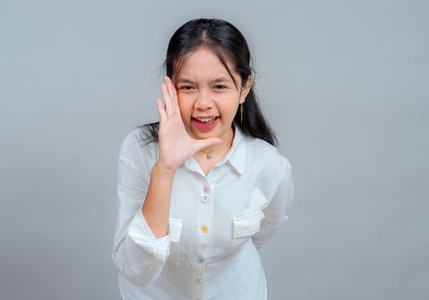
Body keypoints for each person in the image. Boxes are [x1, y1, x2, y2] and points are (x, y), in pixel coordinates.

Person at [112, 18, 294, 300]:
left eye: (219, 87)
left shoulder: (270, 165)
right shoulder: (139, 150)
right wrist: (165, 168)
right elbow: (135, 270)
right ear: (171, 88)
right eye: (188, 87)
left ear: (244, 88)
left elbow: (263, 231)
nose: (203, 103)